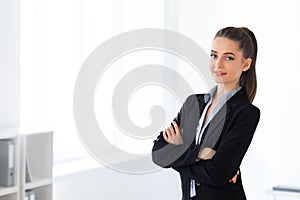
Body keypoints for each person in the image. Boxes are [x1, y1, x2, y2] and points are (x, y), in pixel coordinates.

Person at [152, 27, 260, 200]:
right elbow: (158, 153)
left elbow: (217, 174)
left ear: (245, 64)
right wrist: (201, 153)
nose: (218, 64)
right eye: (214, 55)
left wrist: (179, 151)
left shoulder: (246, 113)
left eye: (228, 57)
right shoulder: (193, 103)